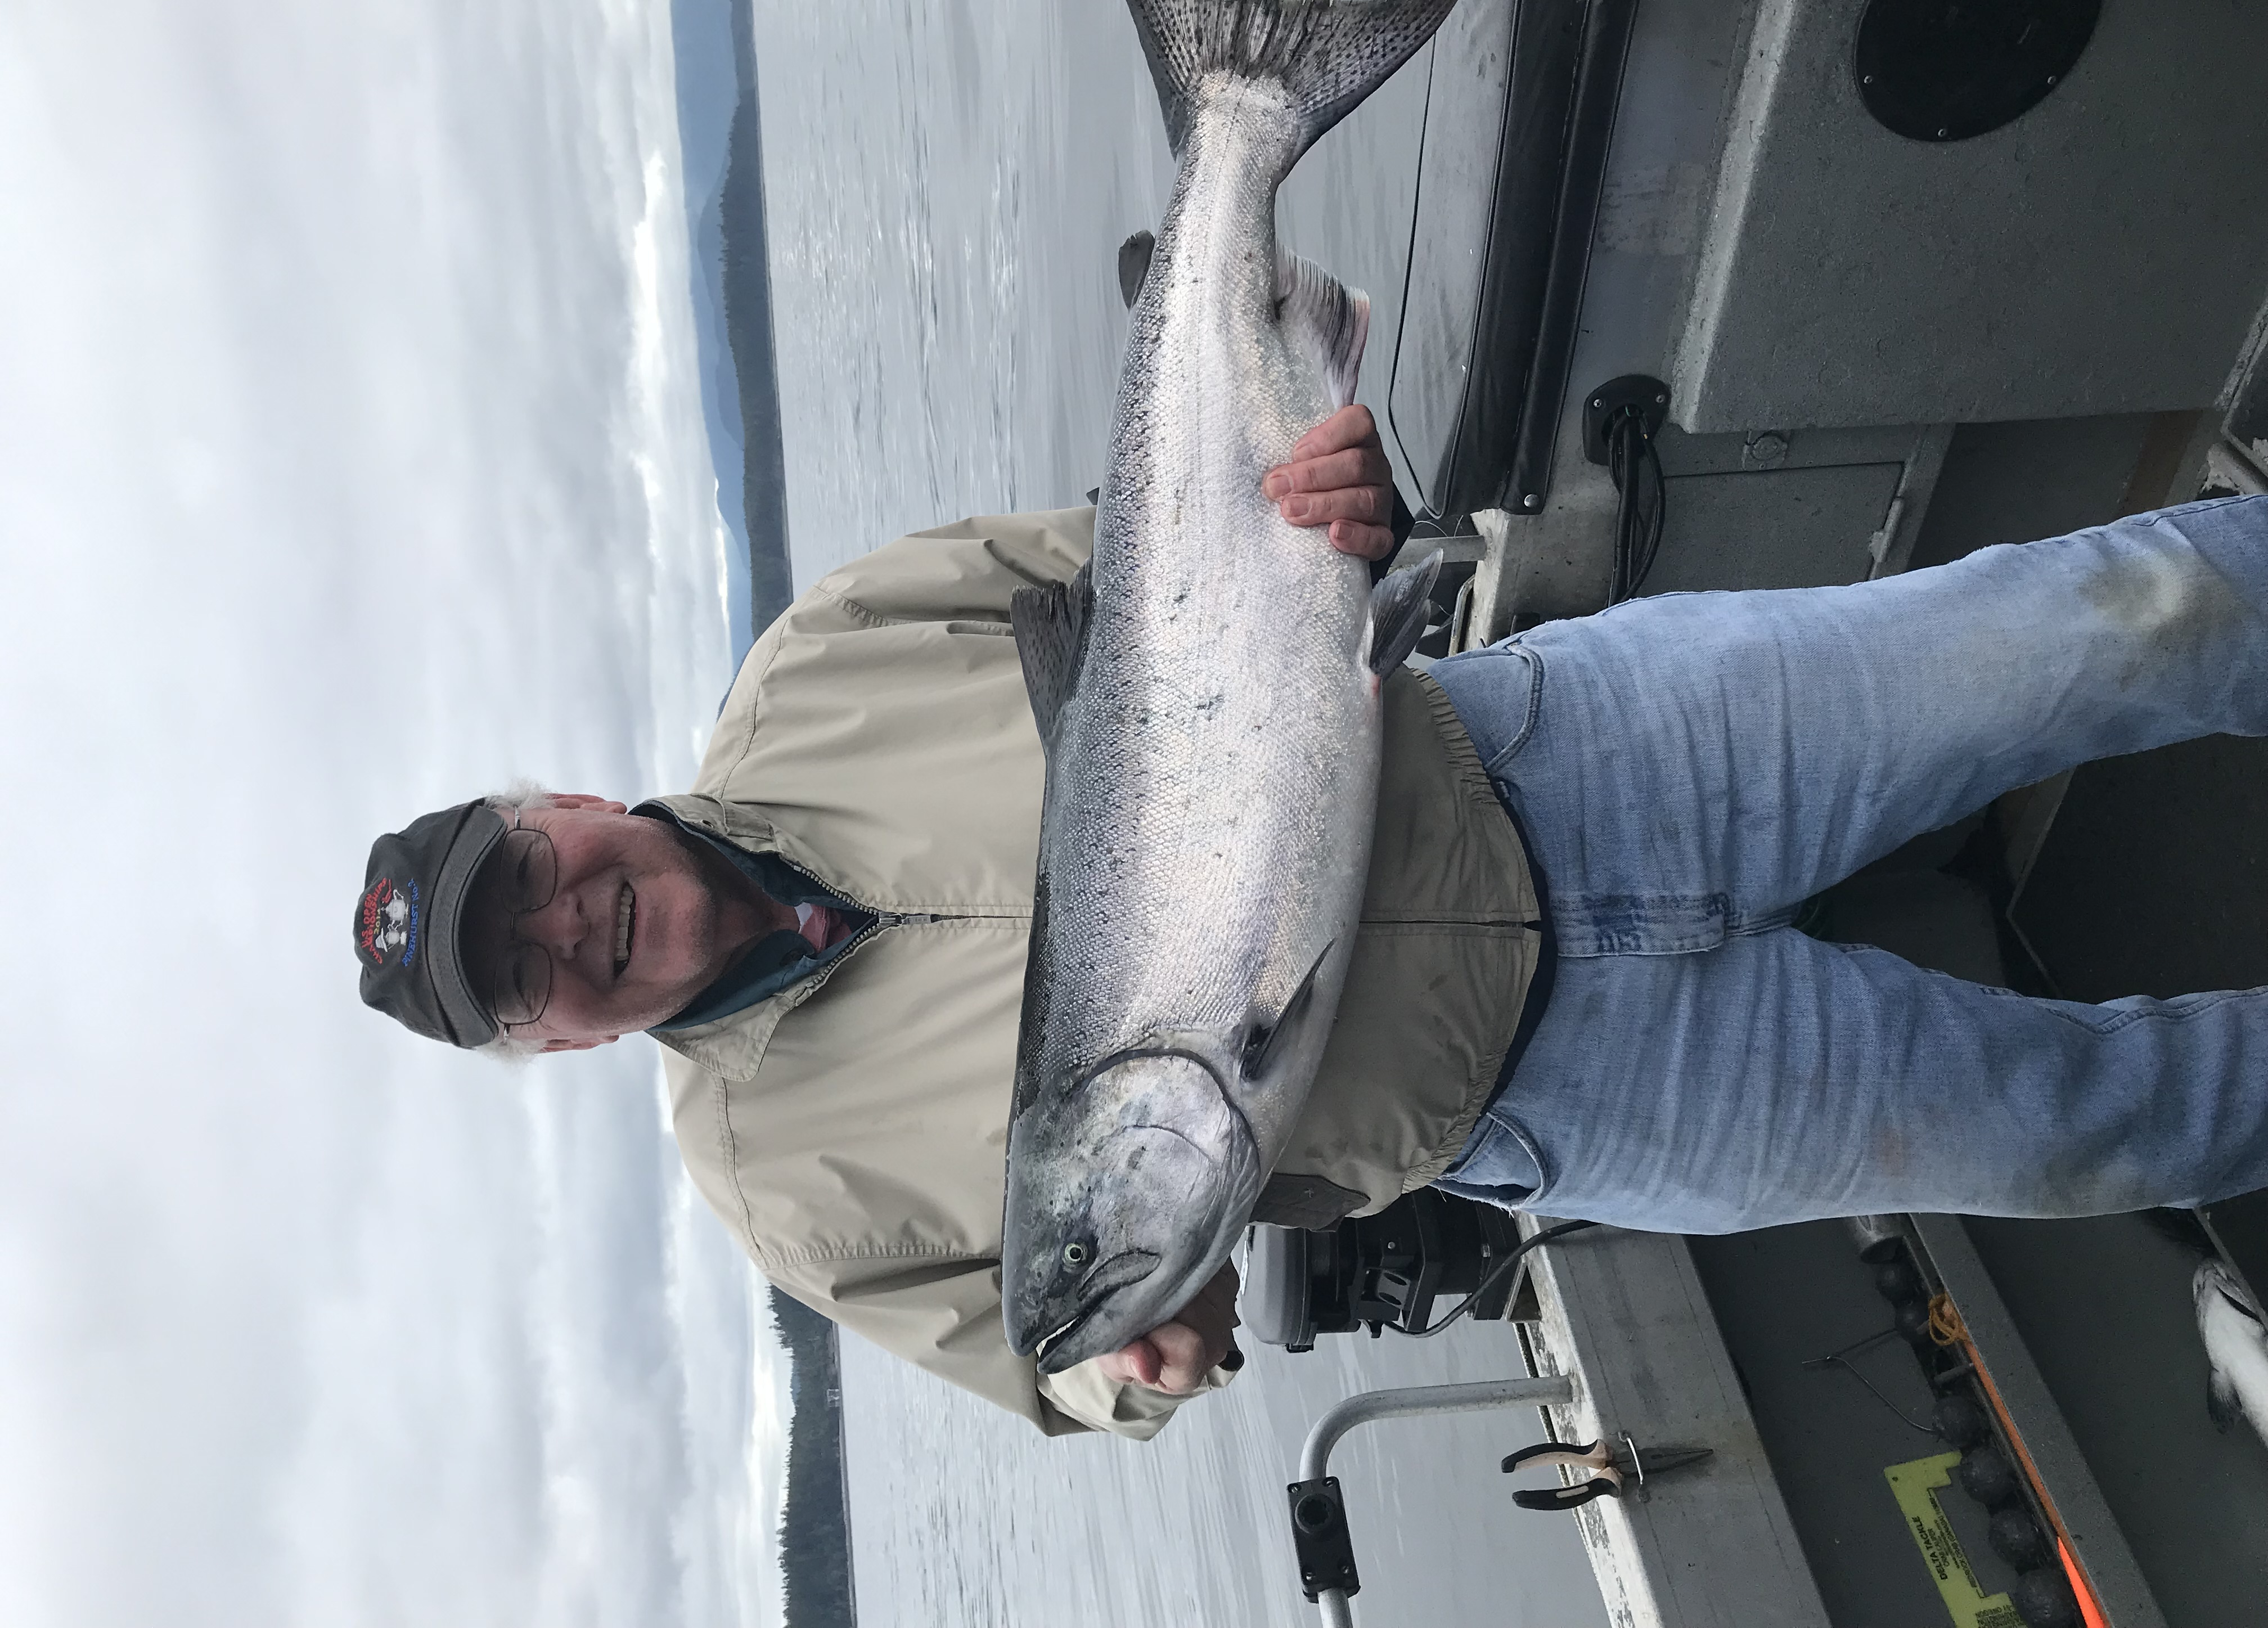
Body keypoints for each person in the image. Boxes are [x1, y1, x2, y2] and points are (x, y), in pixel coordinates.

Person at [355, 403, 2268, 1437]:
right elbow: (1063, 1365)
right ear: (557, 1048)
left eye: (526, 879)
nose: (564, 929)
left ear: (566, 802)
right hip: (1567, 1098)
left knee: (2101, 627)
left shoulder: (827, 654)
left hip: (1570, 751)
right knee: (2092, 1127)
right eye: (520, 981)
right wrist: (1139, 1367)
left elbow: (1171, 547)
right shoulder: (784, 1194)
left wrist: (1312, 507)